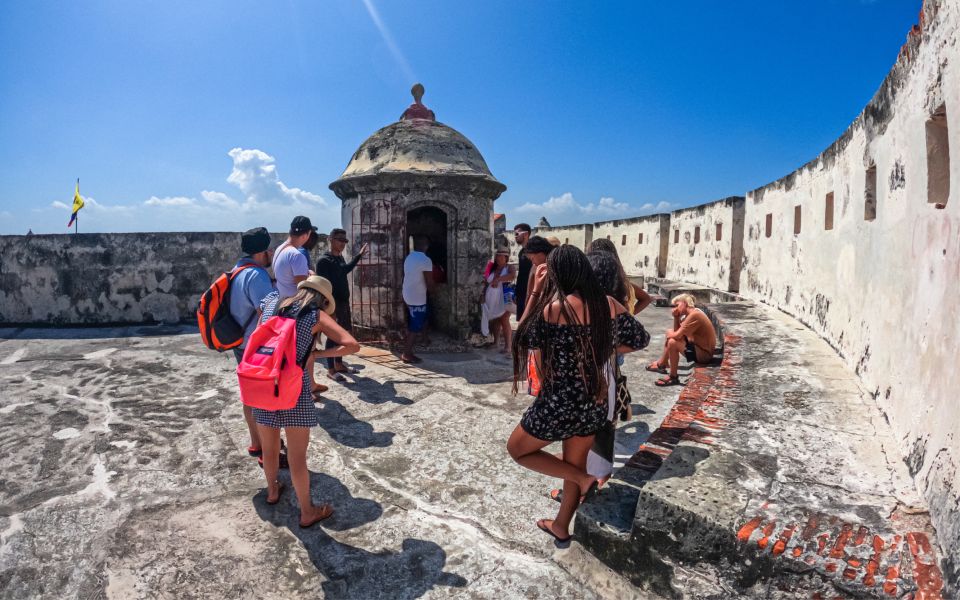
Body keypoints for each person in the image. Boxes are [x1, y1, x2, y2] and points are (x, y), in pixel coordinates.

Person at [508, 245, 650, 544]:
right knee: (573, 465)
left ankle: (584, 480)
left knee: (518, 449)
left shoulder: (555, 309)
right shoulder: (608, 304)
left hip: (559, 403)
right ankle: (561, 525)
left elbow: (521, 338)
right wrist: (604, 348)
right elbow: (640, 338)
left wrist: (534, 291)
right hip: (593, 401)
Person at [254, 276, 360, 527]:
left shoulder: (272, 304)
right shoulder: (315, 315)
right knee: (297, 457)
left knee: (269, 449)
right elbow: (351, 345)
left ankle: (272, 491)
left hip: (264, 382)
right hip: (294, 388)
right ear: (323, 300)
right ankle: (307, 512)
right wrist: (319, 353)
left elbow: (259, 338)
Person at [228, 227, 276, 459]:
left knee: (249, 396)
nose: (271, 254)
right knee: (265, 401)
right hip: (256, 346)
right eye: (269, 250)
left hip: (239, 343)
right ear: (261, 253)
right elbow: (267, 314)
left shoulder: (237, 270)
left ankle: (256, 442)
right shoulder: (257, 275)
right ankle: (268, 451)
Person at [315, 228, 369, 382]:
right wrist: (358, 256)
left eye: (345, 241)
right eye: (339, 240)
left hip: (343, 303)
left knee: (343, 335)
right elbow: (342, 272)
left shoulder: (339, 258)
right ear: (330, 239)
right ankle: (331, 370)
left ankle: (339, 364)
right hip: (331, 304)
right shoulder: (324, 261)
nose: (343, 243)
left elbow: (342, 271)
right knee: (332, 337)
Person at [647, 293, 717, 387]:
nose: (675, 308)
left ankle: (673, 376)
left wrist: (670, 335)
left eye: (677, 305)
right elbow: (677, 332)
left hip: (704, 355)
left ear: (685, 303)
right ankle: (662, 363)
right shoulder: (692, 313)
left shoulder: (695, 315)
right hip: (699, 348)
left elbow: (677, 335)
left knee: (672, 342)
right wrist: (676, 317)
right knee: (670, 333)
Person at [587, 238, 652, 314]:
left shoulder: (588, 290)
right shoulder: (627, 286)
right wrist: (630, 316)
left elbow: (646, 299)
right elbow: (646, 298)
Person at [401, 236, 433, 363]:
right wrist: (434, 292)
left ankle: (424, 338)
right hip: (417, 297)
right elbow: (429, 281)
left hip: (408, 293)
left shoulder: (409, 257)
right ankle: (407, 353)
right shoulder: (426, 260)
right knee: (415, 325)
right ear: (426, 246)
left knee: (423, 316)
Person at [481, 248, 517, 353]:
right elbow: (485, 282)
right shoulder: (491, 267)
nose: (498, 258)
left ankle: (508, 347)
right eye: (497, 256)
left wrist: (498, 279)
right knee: (495, 320)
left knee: (504, 320)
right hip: (491, 299)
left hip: (505, 298)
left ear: (506, 257)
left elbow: (512, 276)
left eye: (501, 256)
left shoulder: (510, 267)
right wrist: (482, 294)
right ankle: (496, 343)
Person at [272, 216, 317, 300]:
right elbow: (303, 289)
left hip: (281, 302)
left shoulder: (279, 249)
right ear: (304, 235)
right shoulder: (297, 256)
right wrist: (313, 277)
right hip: (293, 306)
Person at [518, 236, 558, 323]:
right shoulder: (557, 262)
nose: (533, 263)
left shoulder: (539, 268)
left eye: (532, 259)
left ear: (540, 253)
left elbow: (529, 293)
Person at [512, 223, 533, 319]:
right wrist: (517, 292)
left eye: (517, 234)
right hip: (522, 292)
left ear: (525, 234)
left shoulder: (533, 251)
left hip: (530, 292)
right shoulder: (521, 252)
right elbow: (521, 274)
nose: (515, 237)